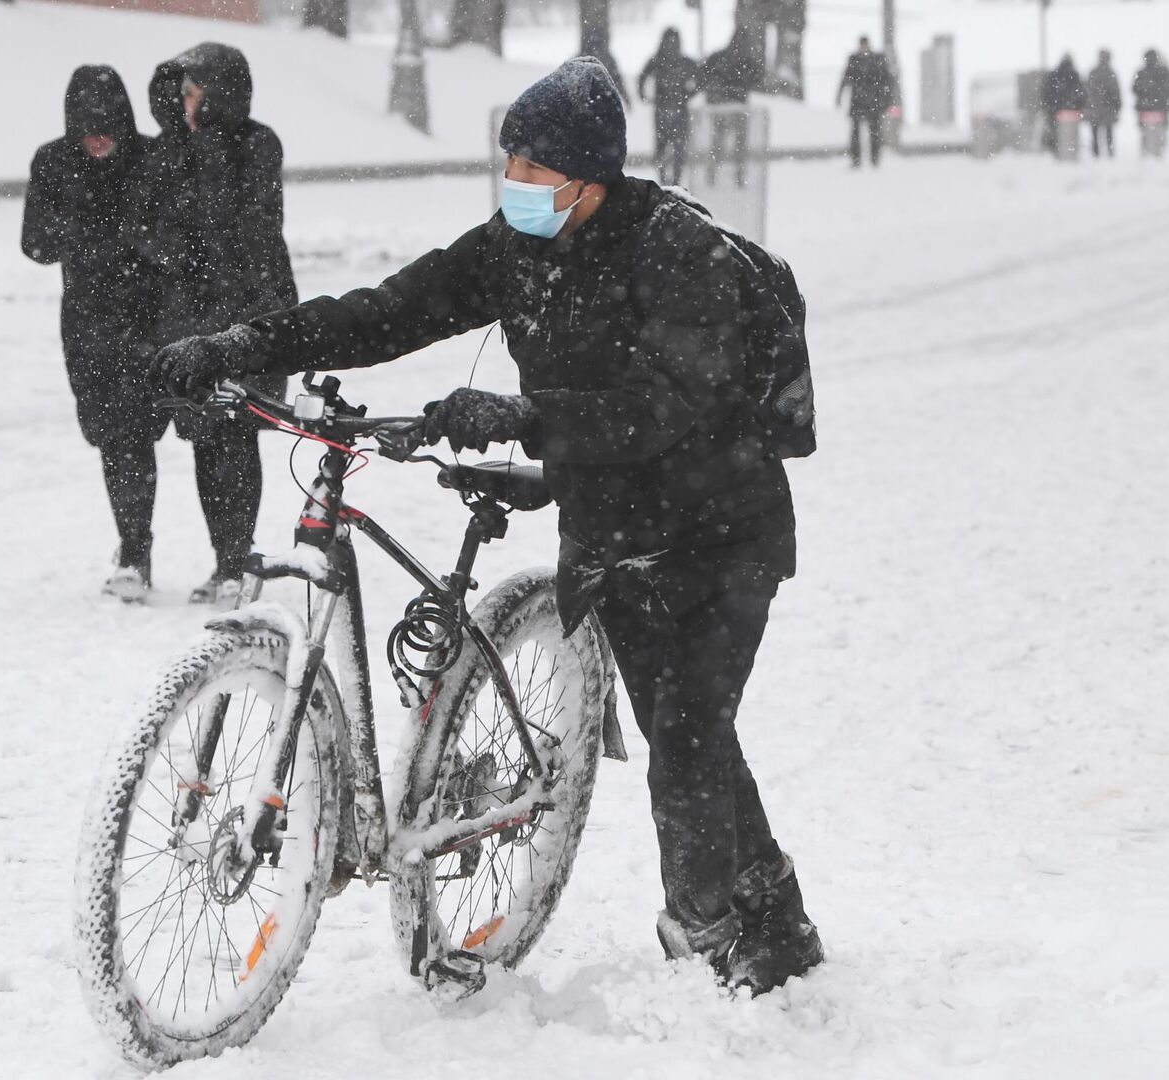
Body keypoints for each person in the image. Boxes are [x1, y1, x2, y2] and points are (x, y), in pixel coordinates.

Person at [153, 57, 824, 996]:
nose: (519, 188)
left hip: (721, 527)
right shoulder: (514, 246)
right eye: (510, 166)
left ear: (593, 179)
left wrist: (522, 416)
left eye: (539, 175)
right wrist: (250, 345)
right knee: (692, 735)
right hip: (611, 528)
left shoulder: (678, 254)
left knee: (687, 732)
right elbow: (388, 312)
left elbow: (661, 407)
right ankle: (777, 919)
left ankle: (713, 939)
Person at [128, 43, 297, 605]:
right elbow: (149, 226)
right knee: (205, 439)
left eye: (196, 91)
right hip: (189, 315)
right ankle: (223, 560)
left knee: (238, 435)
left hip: (247, 311)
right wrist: (172, 252)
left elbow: (249, 226)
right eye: (182, 92)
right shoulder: (170, 152)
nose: (186, 102)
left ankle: (236, 561)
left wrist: (206, 158)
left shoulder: (256, 144)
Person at [22, 66, 164, 601]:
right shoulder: (53, 162)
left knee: (144, 434)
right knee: (113, 436)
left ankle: (170, 554)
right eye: (87, 129)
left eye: (107, 127)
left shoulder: (151, 158)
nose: (98, 138)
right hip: (86, 322)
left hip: (151, 319)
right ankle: (133, 546)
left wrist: (128, 238)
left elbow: (173, 240)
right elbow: (34, 244)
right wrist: (85, 224)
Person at [637, 28, 702, 186]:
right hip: (669, 110)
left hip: (673, 110)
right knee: (670, 148)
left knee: (673, 149)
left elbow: (700, 78)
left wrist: (689, 93)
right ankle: (668, 182)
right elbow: (642, 78)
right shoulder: (670, 61)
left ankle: (671, 182)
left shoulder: (665, 60)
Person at [701, 30, 763, 188]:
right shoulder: (742, 60)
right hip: (731, 107)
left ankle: (722, 175)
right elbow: (759, 78)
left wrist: (714, 93)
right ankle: (731, 176)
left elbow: (704, 73)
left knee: (727, 144)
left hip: (729, 107)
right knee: (730, 144)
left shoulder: (722, 58)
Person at [836, 36, 895, 169]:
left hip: (873, 102)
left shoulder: (877, 59)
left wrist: (887, 99)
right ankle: (856, 160)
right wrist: (839, 95)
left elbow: (886, 80)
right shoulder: (854, 59)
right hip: (857, 101)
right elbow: (846, 78)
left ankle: (875, 159)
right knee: (855, 133)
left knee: (875, 132)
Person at [1132, 49, 1169, 159]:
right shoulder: (1164, 71)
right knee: (1159, 132)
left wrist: (1145, 96)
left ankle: (1146, 153)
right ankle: (1158, 154)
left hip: (1145, 108)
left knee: (1146, 133)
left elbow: (1135, 88)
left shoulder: (1142, 73)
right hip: (1160, 108)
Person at [1043, 54, 1087, 160]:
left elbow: (1047, 92)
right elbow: (1081, 92)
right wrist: (1079, 106)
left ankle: (1058, 153)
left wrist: (1050, 106)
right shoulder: (1074, 74)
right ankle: (1072, 154)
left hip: (1056, 110)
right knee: (1072, 134)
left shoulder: (1054, 74)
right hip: (1072, 111)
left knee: (1056, 133)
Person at [1083, 50, 1123, 159]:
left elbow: (1087, 90)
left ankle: (1096, 152)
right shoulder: (1111, 73)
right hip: (1108, 108)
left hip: (1095, 108)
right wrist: (1117, 106)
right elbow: (1116, 92)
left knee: (1095, 132)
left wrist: (1088, 105)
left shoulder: (1093, 72)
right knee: (1109, 132)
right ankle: (1110, 152)